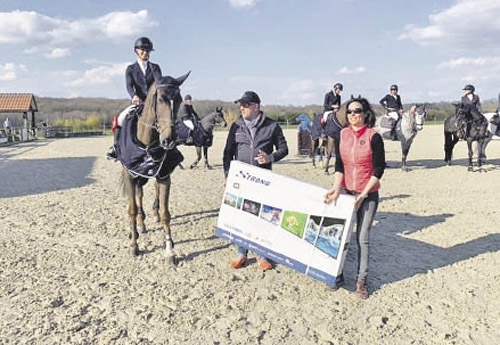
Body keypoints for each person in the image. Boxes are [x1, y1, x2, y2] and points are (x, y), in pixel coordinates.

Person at [324, 97, 386, 300]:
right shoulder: (342, 134)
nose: (352, 115)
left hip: (367, 194)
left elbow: (378, 169)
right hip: (346, 193)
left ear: (365, 113)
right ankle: (337, 275)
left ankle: (361, 281)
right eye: (349, 111)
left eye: (357, 111)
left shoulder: (373, 137)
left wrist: (363, 194)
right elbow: (340, 165)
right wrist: (336, 188)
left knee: (362, 238)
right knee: (341, 236)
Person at [223, 91, 289, 271]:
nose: (241, 108)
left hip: (262, 180)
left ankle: (260, 254)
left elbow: (284, 148)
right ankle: (241, 253)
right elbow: (227, 153)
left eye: (245, 105)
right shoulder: (236, 126)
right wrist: (227, 175)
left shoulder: (272, 126)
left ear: (255, 106)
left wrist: (270, 157)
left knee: (259, 216)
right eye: (240, 105)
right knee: (240, 216)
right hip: (241, 180)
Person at [107, 36, 163, 160]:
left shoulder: (155, 68)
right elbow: (129, 85)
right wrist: (134, 96)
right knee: (121, 119)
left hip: (153, 103)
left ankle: (170, 145)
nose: (145, 53)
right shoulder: (131, 69)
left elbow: (159, 84)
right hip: (139, 102)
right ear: (136, 51)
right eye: (142, 50)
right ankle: (116, 147)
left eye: (147, 50)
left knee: (167, 118)